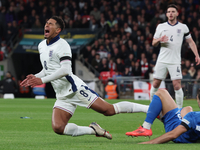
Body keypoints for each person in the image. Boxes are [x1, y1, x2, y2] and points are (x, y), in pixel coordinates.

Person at [20, 16, 149, 139]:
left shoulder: (62, 45)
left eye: (50, 24)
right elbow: (48, 69)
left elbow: (66, 70)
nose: (46, 25)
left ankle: (149, 109)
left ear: (58, 30)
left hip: (75, 90)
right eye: (46, 23)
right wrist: (35, 76)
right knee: (58, 127)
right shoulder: (41, 45)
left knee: (108, 110)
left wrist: (41, 80)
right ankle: (93, 130)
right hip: (62, 94)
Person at [150, 4, 200, 108]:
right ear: (166, 14)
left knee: (177, 85)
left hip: (175, 61)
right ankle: (152, 107)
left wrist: (197, 55)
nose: (171, 13)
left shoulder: (183, 27)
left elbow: (191, 42)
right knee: (155, 84)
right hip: (162, 60)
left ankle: (179, 110)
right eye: (169, 12)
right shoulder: (161, 26)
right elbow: (153, 43)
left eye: (173, 11)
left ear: (177, 13)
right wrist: (159, 40)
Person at [126, 89, 200, 144]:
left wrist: (148, 143)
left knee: (161, 92)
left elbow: (173, 134)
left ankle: (146, 127)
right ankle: (157, 112)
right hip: (187, 129)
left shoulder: (192, 117)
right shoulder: (194, 116)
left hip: (174, 126)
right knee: (188, 108)